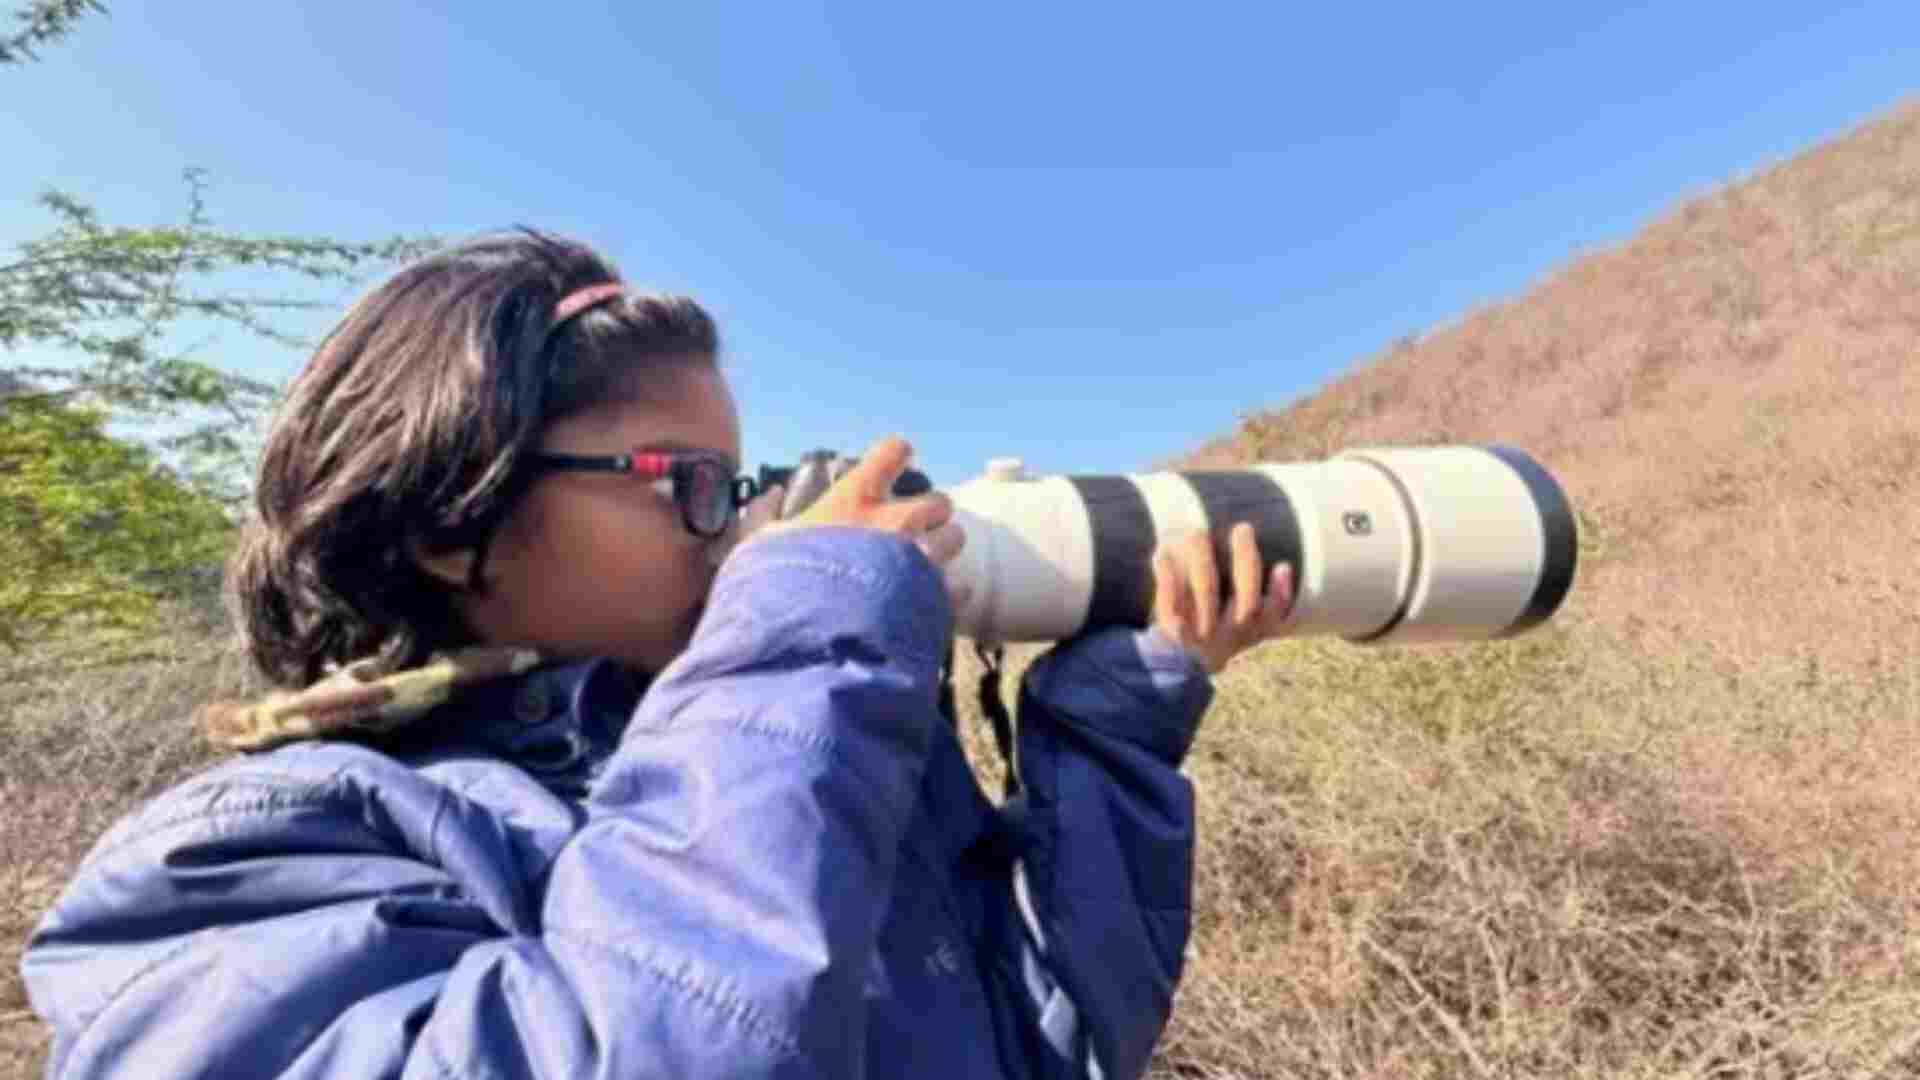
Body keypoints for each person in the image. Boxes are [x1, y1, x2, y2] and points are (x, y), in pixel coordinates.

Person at [20, 229, 1297, 1080]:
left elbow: (1047, 1045)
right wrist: (801, 631)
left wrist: (1114, 725)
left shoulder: (775, 772)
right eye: (682, 481)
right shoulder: (239, 862)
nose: (732, 524)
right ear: (459, 522)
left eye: (729, 480)